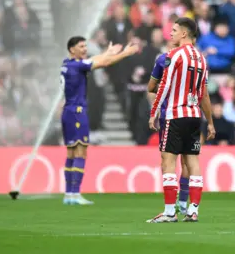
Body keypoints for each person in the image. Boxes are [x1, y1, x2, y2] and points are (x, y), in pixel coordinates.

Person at [147, 17, 216, 223]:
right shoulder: (202, 59)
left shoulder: (174, 55)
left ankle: (169, 212)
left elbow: (165, 85)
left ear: (184, 33)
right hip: (195, 116)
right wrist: (210, 121)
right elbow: (203, 93)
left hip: (175, 114)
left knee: (168, 161)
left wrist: (154, 111)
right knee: (192, 162)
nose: (171, 33)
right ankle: (193, 210)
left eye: (175, 30)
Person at [61, 36, 138, 205]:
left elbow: (94, 60)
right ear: (72, 49)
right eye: (81, 46)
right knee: (80, 152)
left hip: (68, 112)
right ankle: (75, 193)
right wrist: (125, 53)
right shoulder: (78, 65)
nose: (84, 49)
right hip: (77, 112)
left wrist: (107, 52)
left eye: (85, 46)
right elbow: (102, 63)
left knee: (71, 153)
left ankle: (69, 194)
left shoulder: (67, 64)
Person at [148, 39, 201, 215]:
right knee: (185, 161)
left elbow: (153, 87)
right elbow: (203, 93)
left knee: (174, 161)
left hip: (175, 114)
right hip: (184, 114)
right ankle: (185, 207)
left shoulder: (175, 59)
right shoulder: (197, 59)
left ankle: (175, 209)